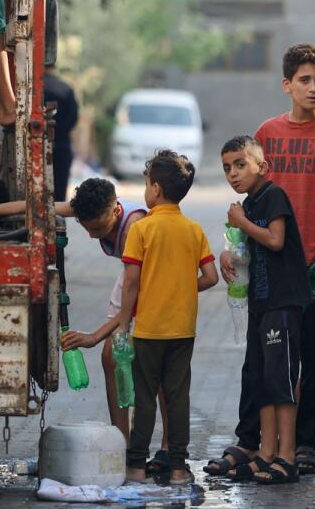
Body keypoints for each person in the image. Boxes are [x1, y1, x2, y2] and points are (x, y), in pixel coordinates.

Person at [212, 43, 315, 477]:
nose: (313, 88)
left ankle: (303, 443)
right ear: (287, 85)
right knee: (261, 358)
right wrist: (233, 248)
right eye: (304, 80)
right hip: (269, 265)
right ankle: (250, 442)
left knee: (313, 354)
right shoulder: (266, 133)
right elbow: (248, 195)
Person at [0, 181, 173, 472]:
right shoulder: (88, 208)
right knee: (111, 358)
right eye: (87, 228)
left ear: (116, 211)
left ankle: (168, 446)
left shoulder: (135, 229)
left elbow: (136, 300)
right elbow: (36, 207)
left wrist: (94, 336)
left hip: (154, 282)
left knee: (155, 360)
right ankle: (122, 444)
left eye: (99, 230)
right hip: (131, 277)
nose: (93, 236)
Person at [116, 150, 219, 485]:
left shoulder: (142, 229)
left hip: (148, 330)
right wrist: (183, 288)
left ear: (156, 189)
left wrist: (122, 321)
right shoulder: (193, 230)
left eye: (147, 184)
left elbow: (131, 281)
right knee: (177, 398)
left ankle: (135, 467)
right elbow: (211, 276)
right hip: (182, 329)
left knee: (144, 399)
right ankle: (178, 467)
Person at [219, 136, 314, 485]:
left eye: (240, 164)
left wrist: (242, 223)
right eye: (227, 167)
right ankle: (265, 452)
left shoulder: (273, 196)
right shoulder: (250, 203)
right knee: (262, 378)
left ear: (263, 167)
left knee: (282, 380)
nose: (233, 173)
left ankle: (286, 455)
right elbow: (245, 247)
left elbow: (274, 239)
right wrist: (228, 255)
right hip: (260, 304)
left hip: (281, 304)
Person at [43, 67, 79, 201]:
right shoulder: (65, 89)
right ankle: (57, 218)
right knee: (59, 190)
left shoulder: (31, 89)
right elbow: (73, 118)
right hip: (61, 146)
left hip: (34, 143)